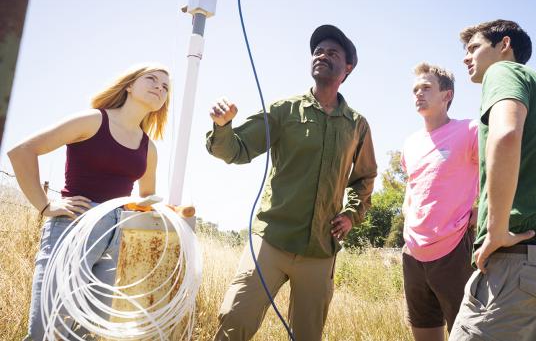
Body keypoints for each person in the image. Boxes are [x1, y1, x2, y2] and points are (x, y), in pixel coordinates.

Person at [206, 24, 377, 340]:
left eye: (332, 52)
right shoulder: (282, 111)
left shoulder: (357, 125)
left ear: (348, 67)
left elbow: (365, 178)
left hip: (320, 250)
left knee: (308, 335)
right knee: (235, 318)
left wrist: (352, 214)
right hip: (271, 239)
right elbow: (236, 150)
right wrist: (222, 126)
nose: (322, 55)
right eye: (317, 51)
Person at [8, 63, 171, 340]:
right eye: (152, 79)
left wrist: (162, 212)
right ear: (129, 86)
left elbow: (144, 199)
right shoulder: (93, 120)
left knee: (88, 330)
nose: (160, 87)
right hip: (73, 226)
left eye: (166, 87)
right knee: (46, 327)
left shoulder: (149, 148)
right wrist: (45, 205)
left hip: (114, 235)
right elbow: (22, 151)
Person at [448, 20, 536, 341]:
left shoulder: (504, 72)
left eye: (474, 48)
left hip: (518, 264)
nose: (466, 58)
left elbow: (505, 135)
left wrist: (495, 230)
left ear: (504, 45)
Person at [401, 62, 478, 341]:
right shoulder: (410, 143)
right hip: (413, 253)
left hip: (455, 250)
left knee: (468, 334)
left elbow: (497, 169)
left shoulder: (470, 130)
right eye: (415, 89)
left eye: (426, 87)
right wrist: (406, 213)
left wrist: (482, 208)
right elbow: (412, 186)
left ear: (447, 95)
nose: (418, 94)